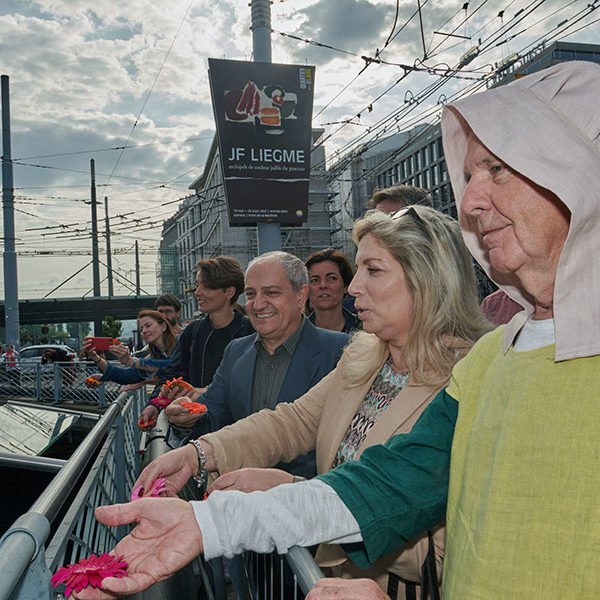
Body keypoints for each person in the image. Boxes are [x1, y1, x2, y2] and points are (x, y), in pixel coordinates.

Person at [70, 62, 600, 600]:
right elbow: (382, 483)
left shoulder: (469, 364)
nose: (469, 201)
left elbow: (434, 536)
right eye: (470, 176)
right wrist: (209, 515)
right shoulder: (489, 360)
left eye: (498, 171)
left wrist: (270, 498)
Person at [136, 207, 489, 595]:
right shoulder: (363, 357)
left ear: (427, 280)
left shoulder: (470, 378)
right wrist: (199, 453)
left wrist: (290, 487)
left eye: (373, 270)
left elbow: (454, 540)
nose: (353, 289)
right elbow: (293, 421)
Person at [164, 251, 348, 479]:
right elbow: (212, 414)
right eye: (251, 294)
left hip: (310, 499)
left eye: (271, 292)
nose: (258, 304)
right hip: (241, 499)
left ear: (301, 296)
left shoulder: (342, 351)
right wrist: (185, 417)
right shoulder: (235, 352)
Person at [140, 257, 254, 427]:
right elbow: (172, 374)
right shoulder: (192, 332)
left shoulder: (251, 330)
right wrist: (154, 405)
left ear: (229, 292)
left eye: (206, 287)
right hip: (200, 425)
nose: (197, 292)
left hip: (242, 428)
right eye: (197, 285)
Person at [84, 310, 179, 387]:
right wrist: (96, 358)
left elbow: (173, 366)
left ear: (163, 326)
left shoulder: (181, 343)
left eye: (148, 326)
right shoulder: (156, 354)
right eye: (141, 329)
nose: (144, 331)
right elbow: (127, 376)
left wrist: (132, 361)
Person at [305, 248, 359, 333]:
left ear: (345, 286)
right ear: (306, 290)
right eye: (315, 280)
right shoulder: (297, 335)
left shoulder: (365, 330)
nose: (323, 285)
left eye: (332, 278)